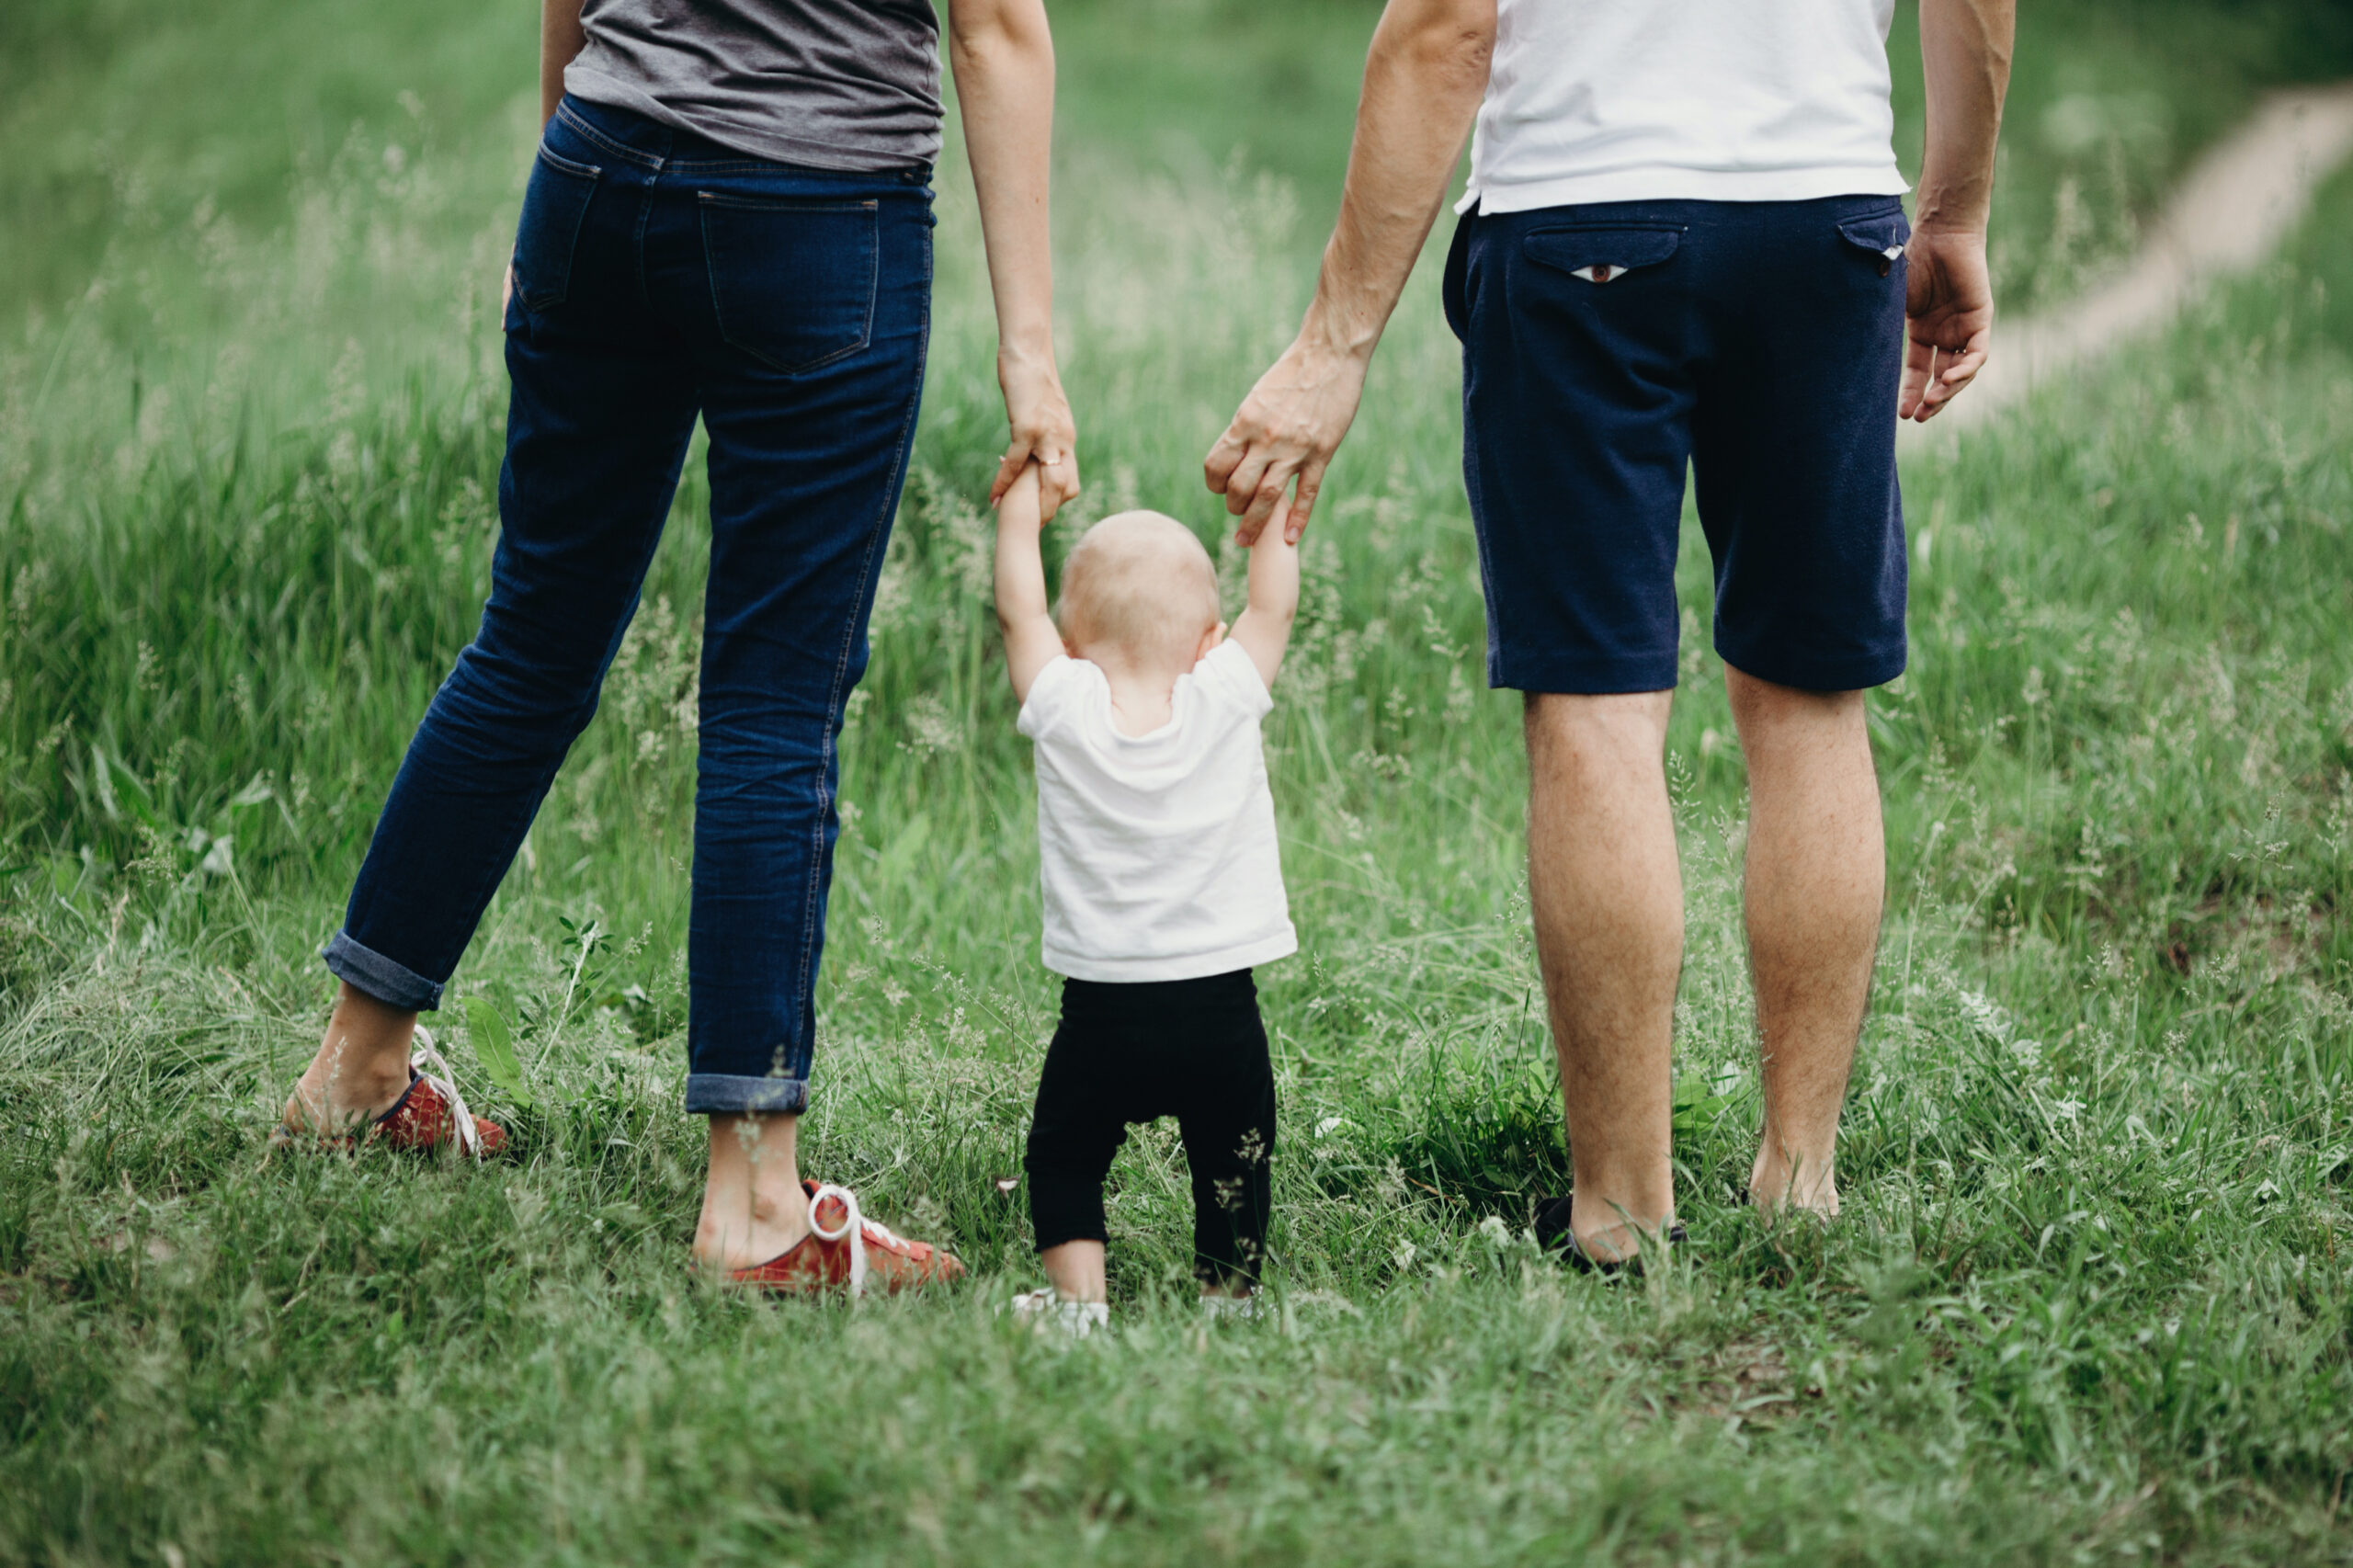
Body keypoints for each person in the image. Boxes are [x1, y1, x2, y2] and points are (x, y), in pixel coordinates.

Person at [276, 0, 1081, 1295]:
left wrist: (560, 178)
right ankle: (756, 1199)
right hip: (819, 214)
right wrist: (1030, 359)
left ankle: (353, 1073)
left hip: (600, 176)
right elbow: (993, 28)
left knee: (528, 641)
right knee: (773, 700)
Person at [1206, 0, 2013, 1266]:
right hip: (1826, 217)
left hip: (1582, 212)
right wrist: (1954, 211)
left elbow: (1445, 22)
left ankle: (1621, 1215)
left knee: (1595, 707)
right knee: (1809, 701)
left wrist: (1335, 341)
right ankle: (1798, 1184)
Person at [990, 462, 1301, 1332]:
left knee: (1065, 1156)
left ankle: (1078, 1309)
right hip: (1220, 1008)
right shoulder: (1225, 695)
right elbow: (1272, 609)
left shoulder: (1062, 703)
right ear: (1210, 637)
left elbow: (1017, 607)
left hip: (1102, 1013)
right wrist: (1275, 503)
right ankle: (1227, 1306)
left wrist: (1022, 508)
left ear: (1069, 634)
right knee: (1235, 1160)